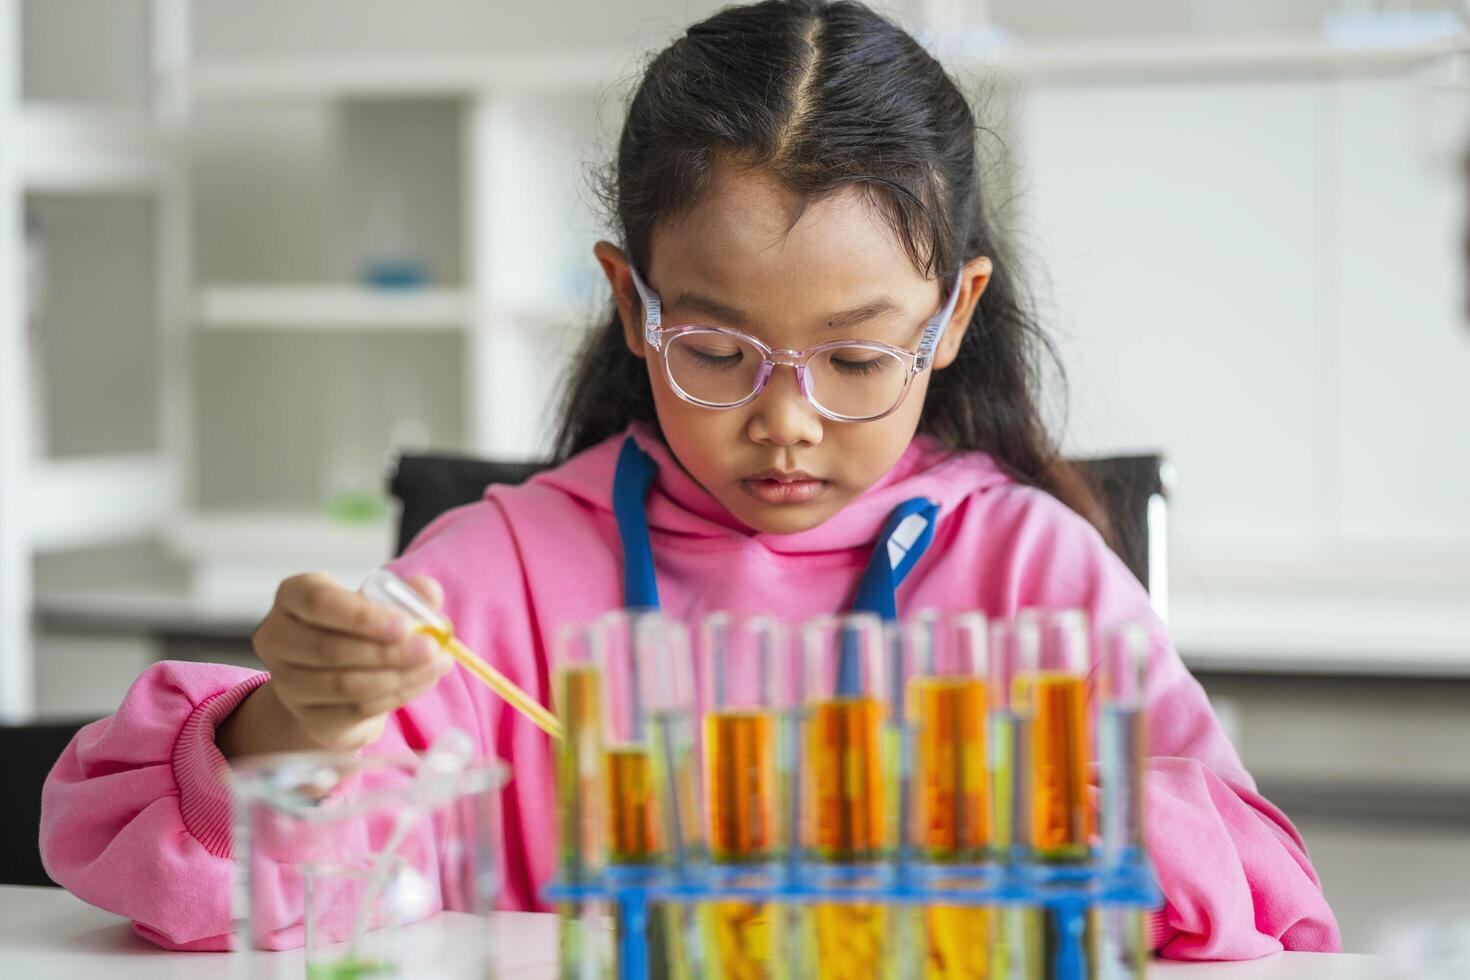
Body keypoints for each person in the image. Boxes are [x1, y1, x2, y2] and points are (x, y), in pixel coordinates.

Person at [40, 0, 1339, 960]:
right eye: (717, 349)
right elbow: (217, 889)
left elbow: (1262, 913)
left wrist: (1031, 816)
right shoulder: (498, 580)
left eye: (856, 355)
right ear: (632, 304)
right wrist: (298, 730)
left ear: (949, 321)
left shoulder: (1031, 579)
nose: (786, 420)